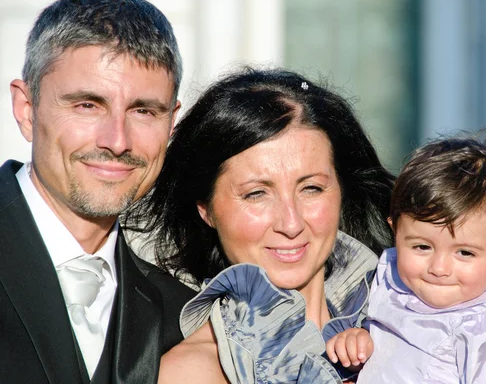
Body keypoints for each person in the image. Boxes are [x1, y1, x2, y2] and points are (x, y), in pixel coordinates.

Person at [123, 67, 396, 383]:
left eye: (311, 188)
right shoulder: (192, 372)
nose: (291, 223)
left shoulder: (418, 317)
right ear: (206, 209)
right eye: (256, 194)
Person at [0, 0, 196, 383]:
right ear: (26, 109)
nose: (117, 140)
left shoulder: (184, 316)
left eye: (143, 111)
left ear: (171, 123)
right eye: (88, 105)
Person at [326, 129, 486, 383]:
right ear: (396, 231)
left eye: (464, 252)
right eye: (422, 247)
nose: (439, 268)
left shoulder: (484, 331)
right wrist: (360, 345)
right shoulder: (390, 280)